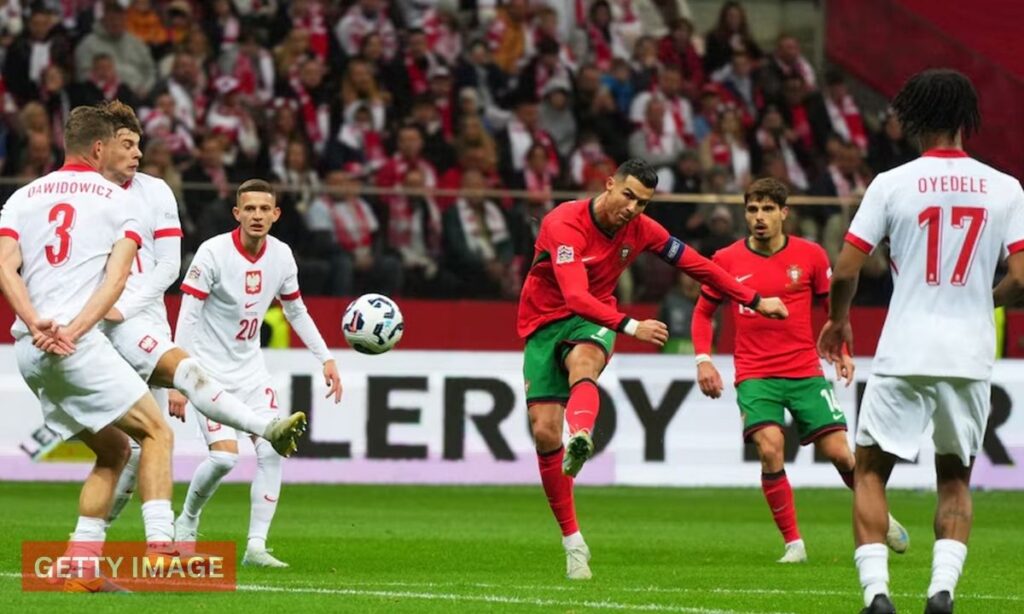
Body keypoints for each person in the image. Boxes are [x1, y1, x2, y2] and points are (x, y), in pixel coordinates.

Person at [518, 158, 789, 580]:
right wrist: (633, 326)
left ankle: (583, 434)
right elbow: (573, 295)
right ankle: (573, 541)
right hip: (546, 321)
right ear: (609, 184)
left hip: (597, 316)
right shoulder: (564, 223)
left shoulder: (643, 230)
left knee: (585, 362)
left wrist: (753, 298)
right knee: (543, 431)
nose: (632, 208)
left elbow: (698, 265)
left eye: (642, 203)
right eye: (627, 195)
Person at [818, 69, 1024, 614]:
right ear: (965, 120)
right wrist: (984, 300)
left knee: (870, 472)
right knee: (954, 477)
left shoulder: (891, 183)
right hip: (969, 354)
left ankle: (878, 594)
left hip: (904, 349)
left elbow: (844, 272)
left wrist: (838, 321)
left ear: (914, 120)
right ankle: (942, 591)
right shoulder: (1006, 188)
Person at [93, 101, 309, 527]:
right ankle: (99, 537)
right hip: (87, 328)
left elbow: (168, 266)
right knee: (126, 447)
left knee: (144, 445)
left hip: (139, 323)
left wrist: (126, 309)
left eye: (139, 144)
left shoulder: (155, 192)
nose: (138, 153)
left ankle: (110, 538)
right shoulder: (76, 192)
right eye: (128, 144)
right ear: (99, 148)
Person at [691, 177, 909, 564]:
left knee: (842, 455)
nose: (759, 217)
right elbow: (704, 312)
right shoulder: (725, 259)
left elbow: (833, 311)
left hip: (805, 372)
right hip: (756, 375)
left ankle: (882, 517)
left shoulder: (810, 256)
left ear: (784, 213)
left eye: (768, 209)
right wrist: (703, 359)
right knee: (770, 448)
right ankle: (794, 543)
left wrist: (840, 350)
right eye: (753, 209)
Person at [0, 106, 172, 591]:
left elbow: (4, 266)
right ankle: (162, 546)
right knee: (157, 433)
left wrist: (36, 322)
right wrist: (73, 330)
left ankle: (81, 568)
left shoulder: (22, 197)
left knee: (114, 449)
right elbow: (118, 280)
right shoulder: (121, 202)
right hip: (77, 346)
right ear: (99, 148)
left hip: (31, 350)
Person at [172, 179, 343, 568]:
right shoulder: (212, 252)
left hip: (251, 374)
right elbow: (188, 314)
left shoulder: (281, 255)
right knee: (224, 460)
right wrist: (177, 378)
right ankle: (188, 520)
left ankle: (255, 547)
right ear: (237, 213)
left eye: (265, 209)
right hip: (205, 375)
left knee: (272, 450)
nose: (257, 216)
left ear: (276, 214)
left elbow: (295, 309)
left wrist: (325, 358)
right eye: (249, 209)